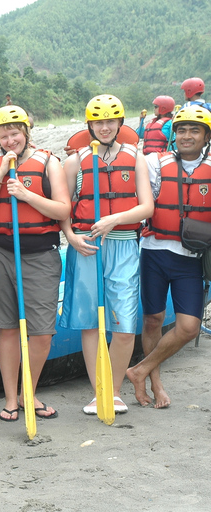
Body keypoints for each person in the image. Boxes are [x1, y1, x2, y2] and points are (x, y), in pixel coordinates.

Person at [0, 105, 70, 422]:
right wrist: (0, 176)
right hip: (0, 253)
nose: (10, 140)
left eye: (15, 133)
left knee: (42, 333)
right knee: (8, 328)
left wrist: (27, 196)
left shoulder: (49, 162)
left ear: (26, 132)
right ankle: (11, 398)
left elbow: (62, 210)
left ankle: (30, 391)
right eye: (3, 135)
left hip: (40, 254)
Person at [59, 95, 154, 416]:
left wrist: (114, 218)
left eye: (110, 121)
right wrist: (71, 237)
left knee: (125, 325)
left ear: (120, 123)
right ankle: (98, 391)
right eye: (98, 122)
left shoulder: (135, 158)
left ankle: (114, 392)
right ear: (89, 125)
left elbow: (146, 207)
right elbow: (64, 209)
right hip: (86, 246)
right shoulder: (75, 162)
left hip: (124, 243)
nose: (105, 127)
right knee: (90, 323)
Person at [126, 106, 211, 409]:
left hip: (191, 257)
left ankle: (140, 369)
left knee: (188, 327)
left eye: (195, 130)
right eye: (182, 130)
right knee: (153, 320)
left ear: (206, 136)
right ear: (174, 134)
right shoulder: (154, 163)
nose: (187, 136)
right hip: (155, 252)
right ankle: (154, 382)